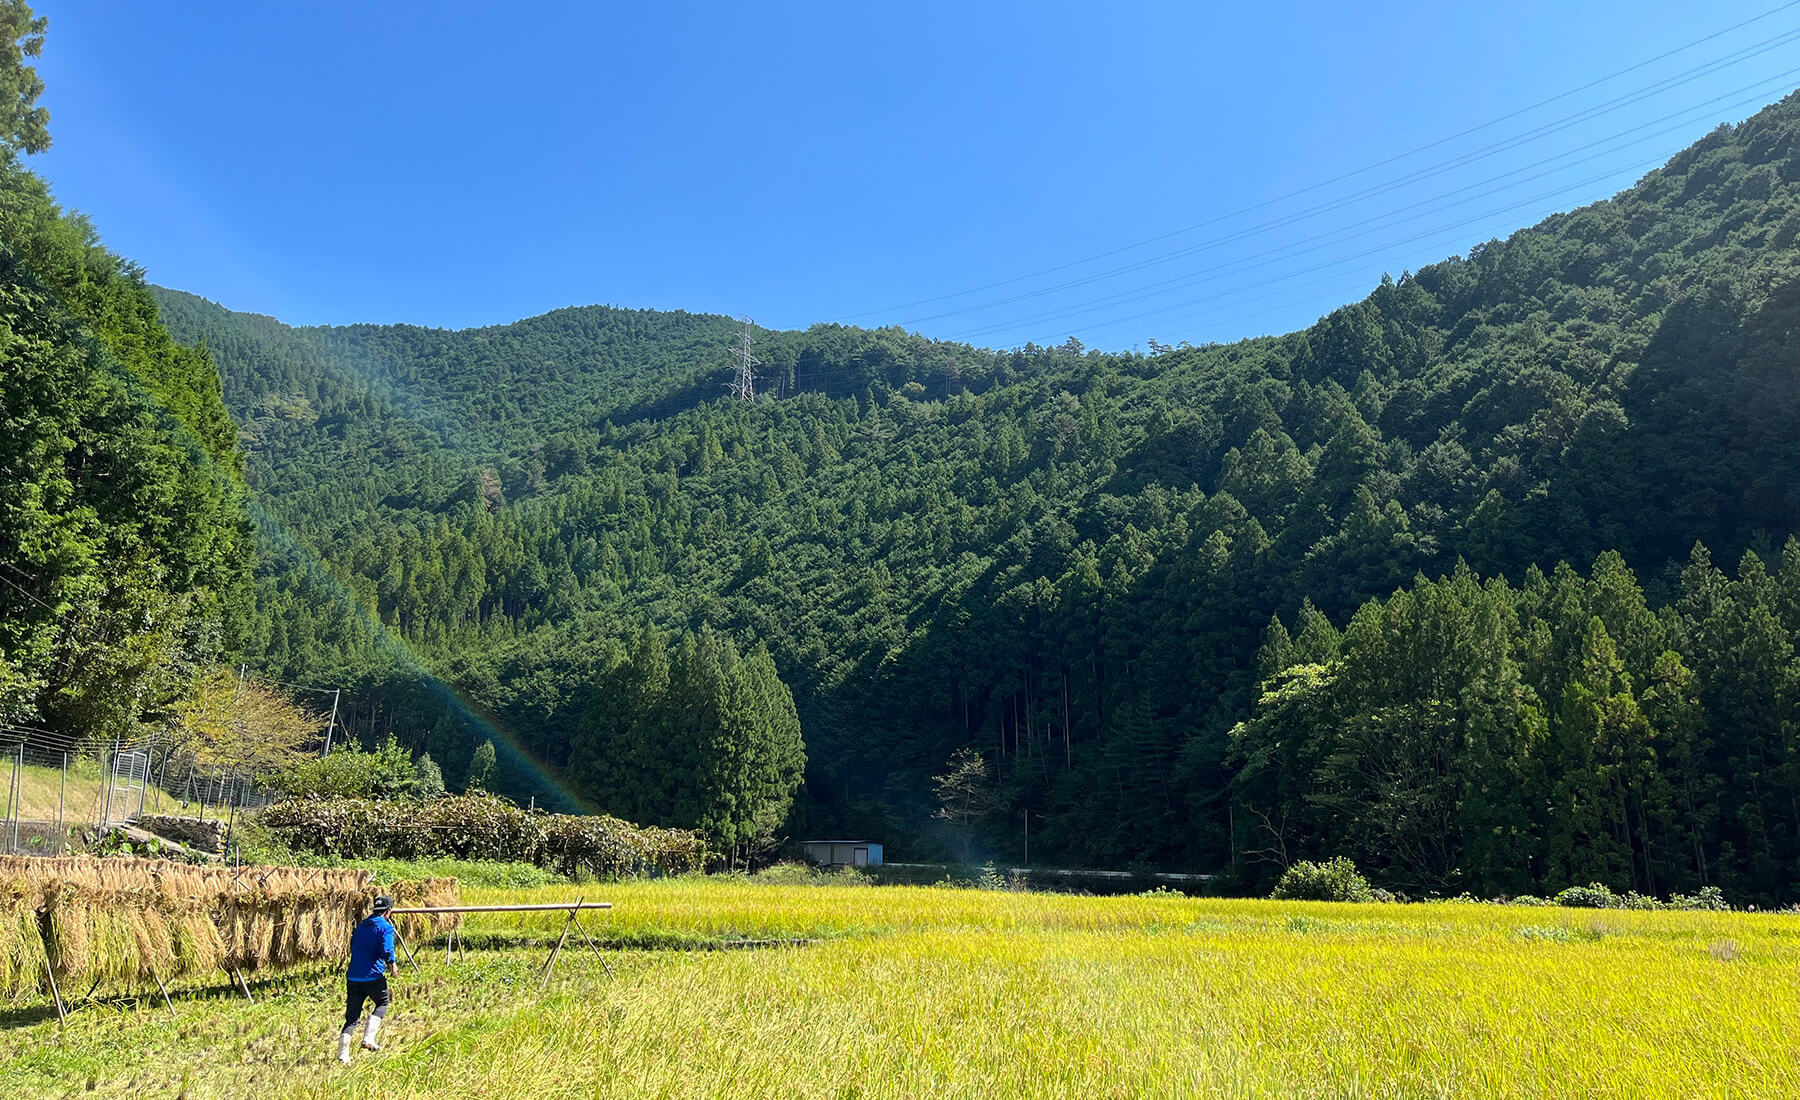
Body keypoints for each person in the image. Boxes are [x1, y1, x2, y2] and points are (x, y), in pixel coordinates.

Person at [339, 895, 397, 1064]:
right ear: (388, 911)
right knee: (383, 1002)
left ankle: (343, 1055)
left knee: (352, 1017)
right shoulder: (385, 927)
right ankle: (369, 1038)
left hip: (353, 976)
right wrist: (392, 964)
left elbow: (353, 946)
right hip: (373, 976)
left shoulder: (360, 926)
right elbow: (387, 949)